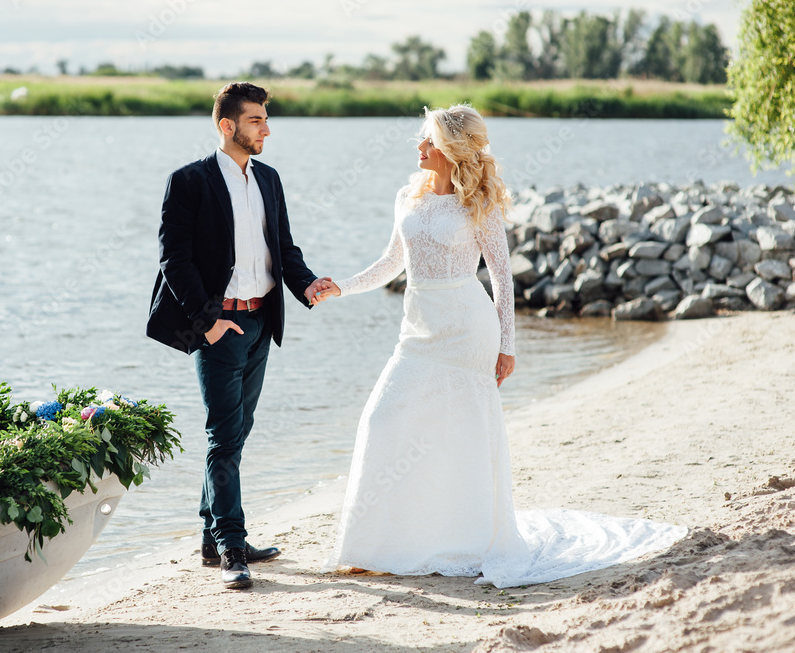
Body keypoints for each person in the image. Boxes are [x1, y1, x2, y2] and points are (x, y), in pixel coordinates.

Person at [315, 105, 686, 587]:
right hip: (418, 330)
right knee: (385, 419)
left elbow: (502, 277)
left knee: (462, 433)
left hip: (468, 330)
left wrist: (507, 345)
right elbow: (391, 262)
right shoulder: (408, 196)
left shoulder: (479, 203)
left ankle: (464, 540)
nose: (419, 146)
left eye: (428, 140)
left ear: (451, 149)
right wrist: (341, 287)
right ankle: (384, 542)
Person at [146, 82, 331, 589]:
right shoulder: (189, 181)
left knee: (237, 432)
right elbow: (174, 260)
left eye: (266, 118)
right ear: (227, 126)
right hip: (219, 327)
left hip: (260, 321)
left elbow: (283, 249)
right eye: (256, 120)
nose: (267, 128)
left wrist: (306, 283)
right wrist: (207, 323)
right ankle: (231, 546)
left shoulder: (269, 178)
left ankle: (213, 537)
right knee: (224, 437)